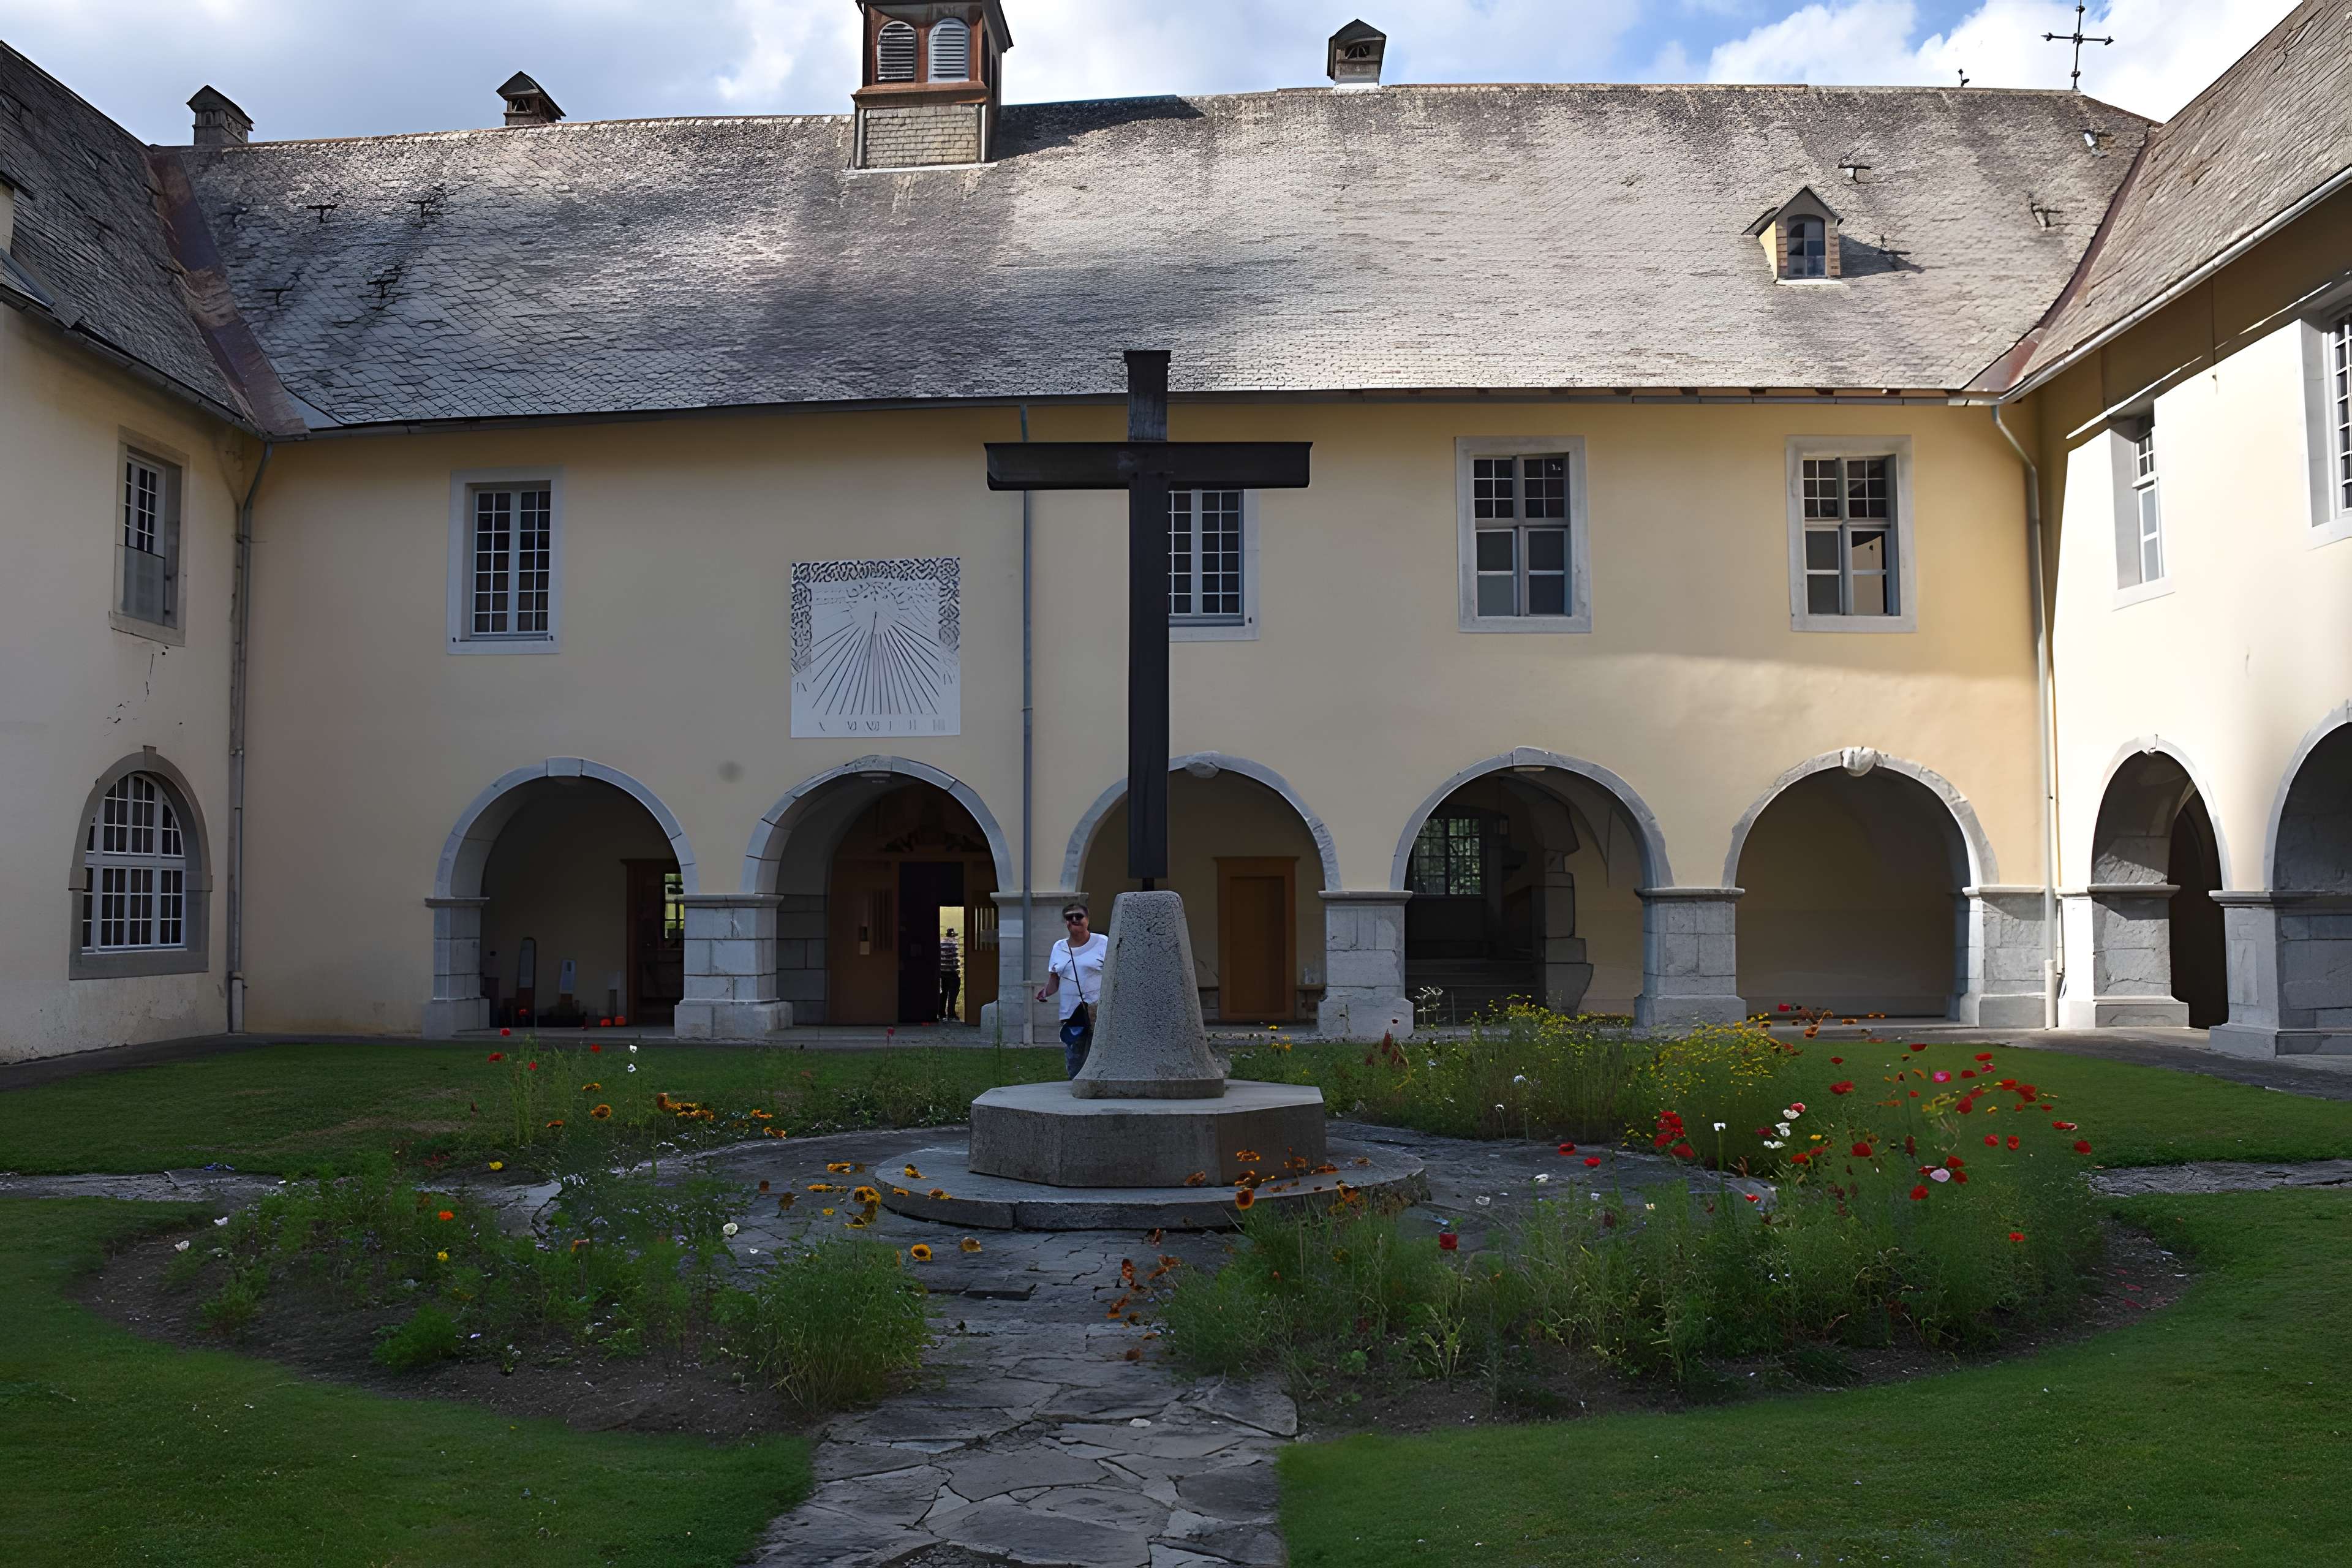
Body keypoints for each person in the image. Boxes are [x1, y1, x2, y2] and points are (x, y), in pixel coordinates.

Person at [1036, 902, 1107, 1077]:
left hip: (1098, 1012)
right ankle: (1075, 1096)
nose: (1074, 920)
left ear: (1088, 920)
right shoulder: (1059, 947)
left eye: (1079, 916)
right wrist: (1045, 992)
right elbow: (1054, 980)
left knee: (1098, 1062)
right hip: (1072, 1014)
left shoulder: (1103, 942)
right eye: (1069, 917)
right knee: (1075, 1063)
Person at [938, 927, 962, 1021]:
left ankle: (941, 1013)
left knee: (943, 993)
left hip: (942, 972)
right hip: (952, 973)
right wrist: (958, 971)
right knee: (953, 993)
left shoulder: (942, 942)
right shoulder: (954, 944)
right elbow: (954, 961)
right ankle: (951, 1014)